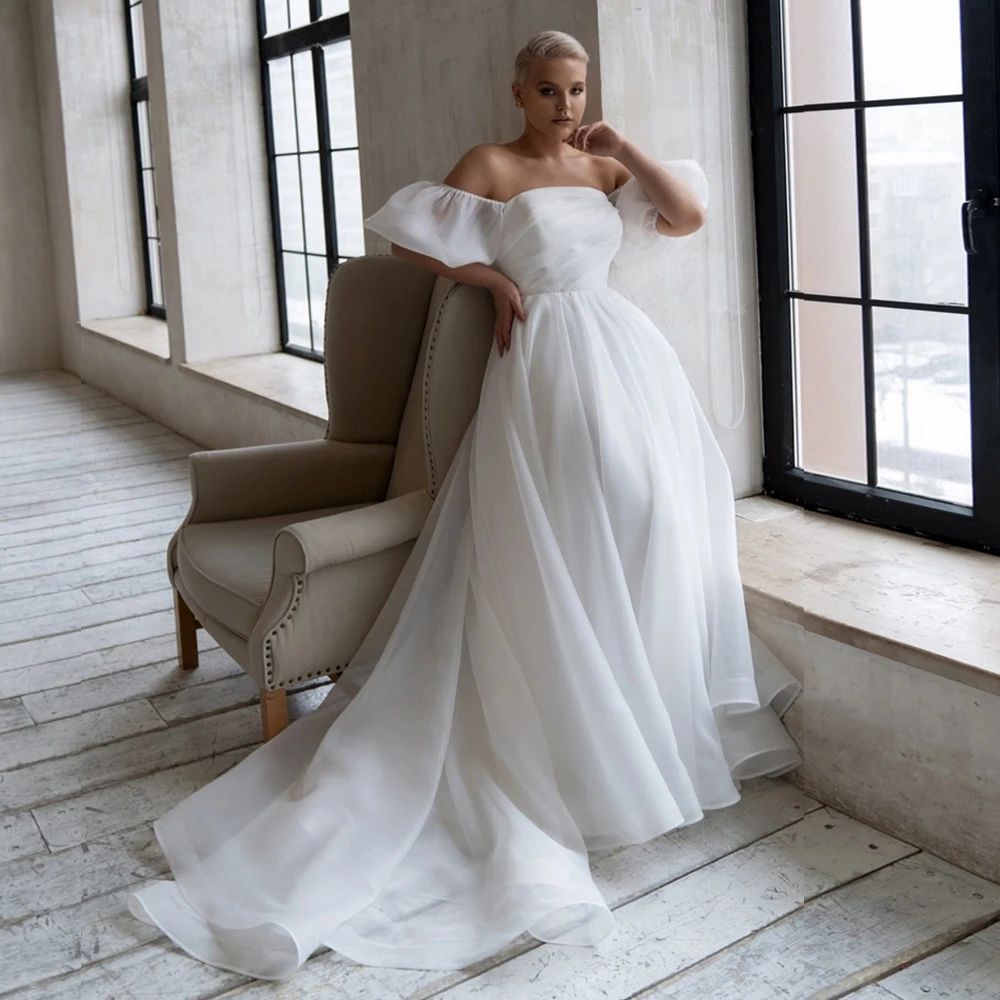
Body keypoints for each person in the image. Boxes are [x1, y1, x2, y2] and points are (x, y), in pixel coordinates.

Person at [126, 28, 802, 982]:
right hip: (546, 366)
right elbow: (408, 235)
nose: (566, 107)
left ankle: (640, 712)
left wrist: (623, 144)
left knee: (646, 519)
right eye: (550, 91)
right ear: (517, 90)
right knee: (573, 531)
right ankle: (575, 738)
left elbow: (687, 216)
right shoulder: (489, 164)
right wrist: (484, 273)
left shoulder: (601, 163)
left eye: (577, 90)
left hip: (627, 357)